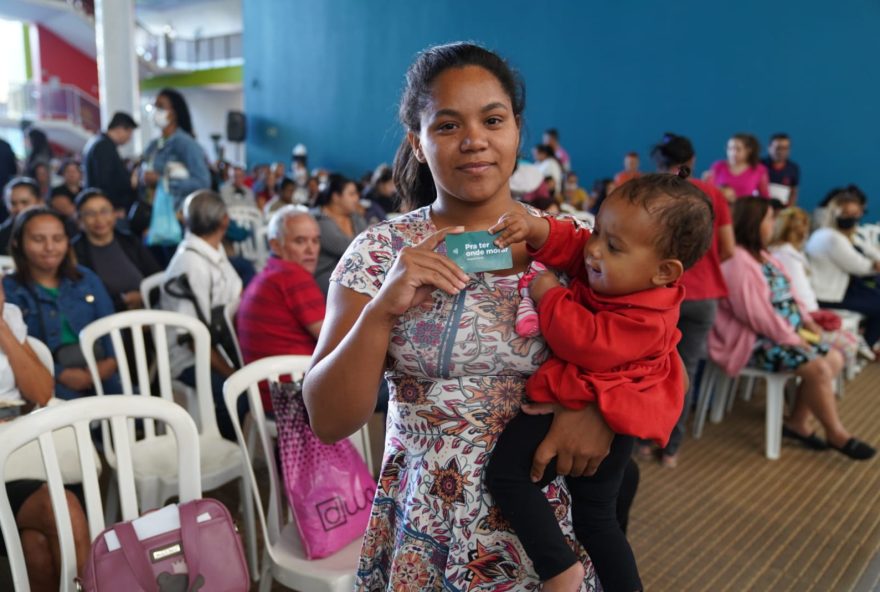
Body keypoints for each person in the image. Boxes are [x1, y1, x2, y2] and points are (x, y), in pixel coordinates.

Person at [303, 41, 609, 591]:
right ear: (418, 144)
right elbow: (329, 419)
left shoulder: (575, 246)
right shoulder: (379, 253)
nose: (474, 141)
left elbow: (659, 345)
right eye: (446, 126)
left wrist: (602, 411)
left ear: (517, 130)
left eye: (493, 120)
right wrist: (380, 313)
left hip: (547, 524)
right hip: (426, 520)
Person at [486, 172, 712, 591]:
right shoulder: (625, 275)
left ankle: (558, 567)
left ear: (665, 271)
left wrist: (548, 294)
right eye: (598, 231)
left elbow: (586, 342)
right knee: (597, 521)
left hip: (599, 408)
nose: (594, 249)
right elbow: (575, 245)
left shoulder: (647, 315)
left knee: (507, 474)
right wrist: (536, 228)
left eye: (613, 245)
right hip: (602, 408)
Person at [709, 197, 875, 460]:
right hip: (755, 342)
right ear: (754, 223)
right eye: (770, 219)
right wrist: (794, 338)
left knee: (834, 357)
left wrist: (807, 321)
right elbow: (757, 317)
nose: (774, 224)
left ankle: (797, 421)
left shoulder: (764, 255)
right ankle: (836, 433)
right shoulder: (738, 262)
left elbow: (790, 293)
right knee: (819, 367)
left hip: (783, 334)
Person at [642, 132, 735, 467]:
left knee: (647, 368)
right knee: (686, 371)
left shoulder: (653, 194)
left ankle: (641, 438)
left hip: (660, 296)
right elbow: (728, 249)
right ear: (692, 161)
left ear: (659, 161)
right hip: (704, 296)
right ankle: (671, 448)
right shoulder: (713, 195)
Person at [0, 282, 92, 592]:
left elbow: (41, 391)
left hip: (25, 450)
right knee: (62, 510)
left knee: (37, 545)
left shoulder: (9, 316)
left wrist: (2, 329)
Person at [3, 207, 119, 400]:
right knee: (74, 420)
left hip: (100, 368)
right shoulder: (9, 290)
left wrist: (111, 361)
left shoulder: (85, 278)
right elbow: (23, 350)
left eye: (58, 239)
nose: (50, 247)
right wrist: (60, 373)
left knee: (136, 414)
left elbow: (110, 327)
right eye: (38, 240)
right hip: (49, 378)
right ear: (18, 243)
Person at [160, 190, 243, 440]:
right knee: (237, 394)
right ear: (225, 221)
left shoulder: (213, 253)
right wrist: (231, 373)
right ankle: (227, 450)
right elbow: (193, 339)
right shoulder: (191, 265)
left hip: (220, 345)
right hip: (190, 359)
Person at [236, 206, 324, 411]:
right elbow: (335, 340)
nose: (311, 250)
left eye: (315, 240)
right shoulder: (292, 276)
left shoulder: (272, 272)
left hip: (267, 390)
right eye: (300, 241)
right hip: (291, 394)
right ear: (276, 245)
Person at [769, 208, 863, 366]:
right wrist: (811, 321)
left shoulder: (785, 253)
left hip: (805, 315)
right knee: (849, 344)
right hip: (803, 319)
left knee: (849, 341)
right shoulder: (787, 256)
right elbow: (798, 297)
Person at [805, 191, 880, 347]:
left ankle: (868, 341)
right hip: (827, 295)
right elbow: (859, 266)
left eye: (854, 213)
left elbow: (867, 249)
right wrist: (874, 265)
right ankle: (866, 345)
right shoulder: (831, 237)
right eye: (845, 213)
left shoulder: (844, 235)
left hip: (842, 289)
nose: (851, 218)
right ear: (834, 212)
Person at [71, 189, 161, 311]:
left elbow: (157, 276)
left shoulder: (130, 241)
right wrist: (122, 302)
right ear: (79, 220)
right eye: (90, 214)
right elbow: (82, 296)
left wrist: (143, 297)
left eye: (104, 211)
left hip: (149, 312)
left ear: (114, 214)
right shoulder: (74, 252)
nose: (99, 219)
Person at [142, 89, 212, 211]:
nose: (155, 111)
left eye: (160, 107)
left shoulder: (185, 144)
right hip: (154, 210)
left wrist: (163, 182)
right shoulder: (154, 145)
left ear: (173, 113)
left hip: (177, 213)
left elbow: (203, 182)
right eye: (154, 106)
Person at [311, 173, 367, 295]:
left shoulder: (355, 217)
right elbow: (347, 248)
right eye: (352, 194)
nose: (357, 198)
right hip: (326, 274)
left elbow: (368, 243)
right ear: (336, 197)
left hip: (354, 272)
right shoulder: (319, 220)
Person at [82, 111, 139, 214]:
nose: (129, 138)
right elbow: (105, 182)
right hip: (107, 209)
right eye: (129, 133)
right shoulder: (104, 146)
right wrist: (130, 182)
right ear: (120, 129)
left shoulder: (99, 142)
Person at [707, 133, 770, 201]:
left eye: (738, 149)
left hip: (745, 209)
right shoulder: (718, 166)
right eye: (730, 148)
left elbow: (764, 197)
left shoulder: (759, 170)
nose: (733, 153)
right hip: (720, 207)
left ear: (749, 150)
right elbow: (708, 191)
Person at [0, 177, 44, 254]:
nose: (19, 209)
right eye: (13, 203)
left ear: (39, 202)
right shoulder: (2, 235)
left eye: (25, 202)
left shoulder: (56, 227)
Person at [762, 133, 800, 206]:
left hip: (782, 210)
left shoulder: (793, 168)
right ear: (769, 148)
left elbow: (794, 192)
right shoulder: (759, 165)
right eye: (778, 148)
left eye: (785, 148)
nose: (781, 151)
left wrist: (788, 209)